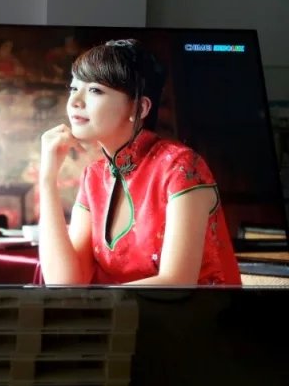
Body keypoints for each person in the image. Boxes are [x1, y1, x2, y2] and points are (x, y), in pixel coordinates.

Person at [38, 39, 241, 286]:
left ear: (139, 107)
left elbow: (177, 283)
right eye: (73, 88)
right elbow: (64, 283)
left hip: (194, 310)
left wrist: (96, 303)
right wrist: (47, 180)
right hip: (121, 310)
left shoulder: (180, 166)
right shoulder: (94, 176)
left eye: (95, 90)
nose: (74, 102)